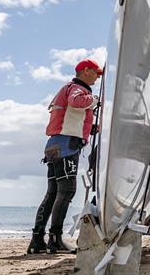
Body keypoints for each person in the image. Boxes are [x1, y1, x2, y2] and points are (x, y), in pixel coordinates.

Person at [27, 59, 101, 254]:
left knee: (52, 193)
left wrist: (90, 128)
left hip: (53, 146)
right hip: (67, 146)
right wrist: (95, 100)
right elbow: (76, 102)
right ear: (86, 71)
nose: (97, 78)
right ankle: (55, 240)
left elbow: (70, 116)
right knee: (67, 191)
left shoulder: (66, 88)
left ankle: (37, 240)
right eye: (96, 73)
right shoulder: (77, 89)